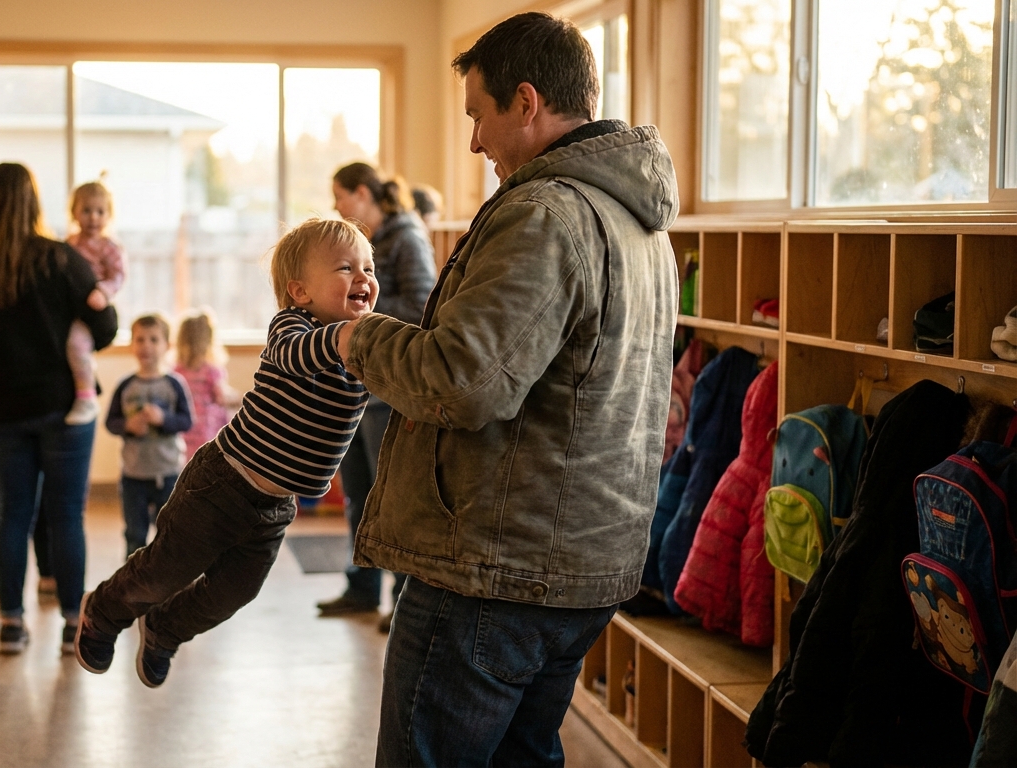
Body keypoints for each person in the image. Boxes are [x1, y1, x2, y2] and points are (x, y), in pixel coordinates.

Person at [334, 13, 679, 766]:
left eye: (478, 117)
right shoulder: (640, 223)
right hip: (582, 563)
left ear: (525, 104)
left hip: (496, 568)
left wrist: (352, 338)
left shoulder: (545, 213)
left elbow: (464, 382)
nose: (473, 142)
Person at [75, 218, 377, 689]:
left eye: (368, 267)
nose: (363, 278)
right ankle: (103, 611)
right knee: (165, 570)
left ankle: (164, 630)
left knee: (235, 591)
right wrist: (343, 339)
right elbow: (299, 354)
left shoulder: (362, 347)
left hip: (276, 506)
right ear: (299, 291)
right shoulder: (291, 328)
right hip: (223, 483)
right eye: (345, 267)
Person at [0, 162, 118, 654]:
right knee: (66, 515)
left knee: (12, 514)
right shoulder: (62, 259)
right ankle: (69, 624)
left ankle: (12, 624)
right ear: (35, 203)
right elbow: (103, 330)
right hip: (65, 407)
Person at [319, 162, 436, 631]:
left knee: (392, 501)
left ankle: (401, 600)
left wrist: (360, 312)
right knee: (360, 496)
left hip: (388, 392)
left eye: (340, 196)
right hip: (359, 389)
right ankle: (362, 588)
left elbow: (423, 306)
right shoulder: (371, 242)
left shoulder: (407, 238)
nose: (337, 207)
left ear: (363, 194)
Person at [106, 314, 194, 557]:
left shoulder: (174, 384)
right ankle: (134, 583)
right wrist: (128, 426)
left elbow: (187, 421)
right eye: (140, 339)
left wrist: (163, 419)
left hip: (167, 473)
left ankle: (167, 581)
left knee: (169, 532)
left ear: (167, 345)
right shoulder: (125, 385)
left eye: (154, 339)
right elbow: (110, 422)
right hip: (133, 475)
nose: (146, 345)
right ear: (132, 345)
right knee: (135, 533)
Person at [64, 179, 128, 425]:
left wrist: (103, 291)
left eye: (100, 212)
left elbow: (118, 275)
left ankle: (86, 395)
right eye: (86, 211)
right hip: (68, 306)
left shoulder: (109, 247)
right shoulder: (69, 244)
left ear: (109, 215)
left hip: (91, 307)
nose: (93, 218)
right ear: (74, 213)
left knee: (77, 345)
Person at [174, 309, 236, 463]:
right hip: (207, 430)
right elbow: (221, 397)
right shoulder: (211, 371)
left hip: (185, 431)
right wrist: (240, 398)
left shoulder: (176, 371)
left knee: (187, 466)